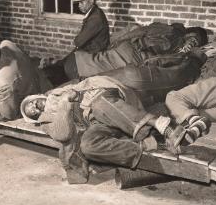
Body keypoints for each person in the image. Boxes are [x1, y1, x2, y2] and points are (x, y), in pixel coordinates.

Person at [20, 75, 198, 184]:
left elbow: (86, 83)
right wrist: (65, 104)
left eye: (33, 103)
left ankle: (159, 125)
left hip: (106, 102)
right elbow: (63, 133)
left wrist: (75, 92)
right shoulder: (46, 121)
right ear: (36, 118)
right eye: (33, 112)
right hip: (97, 124)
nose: (36, 107)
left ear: (37, 96)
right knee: (88, 146)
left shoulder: (57, 91)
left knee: (100, 104)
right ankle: (149, 142)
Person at [41, 23, 208, 86]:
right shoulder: (173, 34)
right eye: (194, 38)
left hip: (80, 59)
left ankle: (48, 71)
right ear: (188, 33)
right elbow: (143, 35)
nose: (194, 43)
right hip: (126, 57)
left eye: (197, 42)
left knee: (58, 72)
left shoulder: (174, 42)